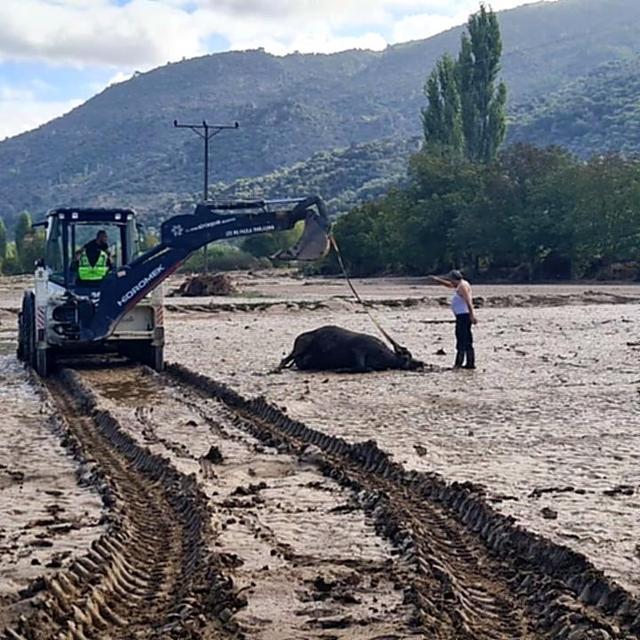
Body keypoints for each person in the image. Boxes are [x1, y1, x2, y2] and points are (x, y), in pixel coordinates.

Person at [427, 270, 477, 369]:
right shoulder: (461, 284)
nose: (450, 281)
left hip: (464, 316)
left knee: (462, 339)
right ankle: (468, 363)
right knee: (465, 339)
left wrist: (472, 315)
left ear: (455, 279)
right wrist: (437, 280)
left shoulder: (462, 287)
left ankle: (461, 363)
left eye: (451, 279)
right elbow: (450, 285)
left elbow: (468, 301)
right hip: (462, 316)